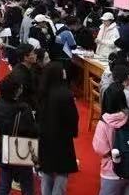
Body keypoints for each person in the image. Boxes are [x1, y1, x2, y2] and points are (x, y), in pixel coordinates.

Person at [37, 62, 79, 195]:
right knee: (63, 170)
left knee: (46, 169)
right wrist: (73, 132)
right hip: (62, 138)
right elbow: (73, 117)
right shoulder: (65, 94)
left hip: (44, 136)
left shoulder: (42, 91)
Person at [0, 75, 38, 195]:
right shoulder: (23, 109)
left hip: (3, 146)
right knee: (27, 183)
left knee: (4, 183)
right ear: (16, 90)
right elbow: (31, 131)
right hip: (21, 148)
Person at [11, 44, 38, 111]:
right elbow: (23, 96)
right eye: (33, 53)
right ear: (25, 57)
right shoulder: (20, 75)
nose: (36, 55)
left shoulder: (29, 67)